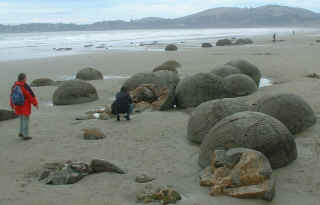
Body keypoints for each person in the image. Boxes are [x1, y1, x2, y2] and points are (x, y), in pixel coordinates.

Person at [10, 73, 38, 140]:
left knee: (22, 120)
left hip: (17, 106)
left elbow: (11, 96)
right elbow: (30, 96)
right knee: (25, 120)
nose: (26, 79)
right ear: (23, 79)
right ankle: (25, 135)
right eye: (25, 78)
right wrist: (35, 104)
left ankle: (21, 132)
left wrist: (12, 105)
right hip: (25, 106)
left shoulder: (14, 86)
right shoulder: (24, 86)